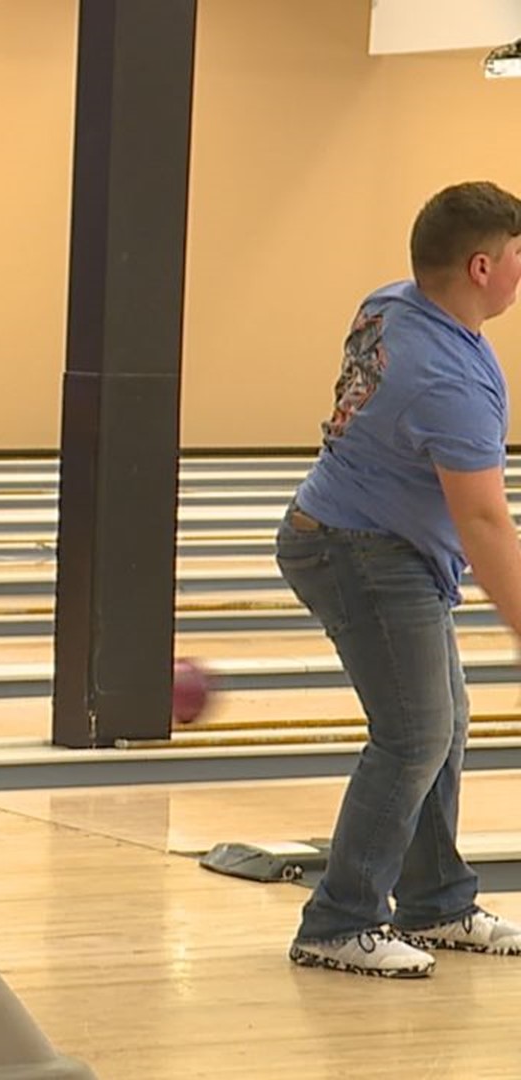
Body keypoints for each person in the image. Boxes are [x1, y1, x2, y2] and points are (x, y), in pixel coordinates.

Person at [280, 180, 521, 977]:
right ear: (482, 266)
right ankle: (339, 919)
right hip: (361, 551)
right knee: (415, 734)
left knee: (441, 724)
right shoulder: (446, 382)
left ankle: (438, 903)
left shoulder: (392, 302)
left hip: (364, 535)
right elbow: (485, 521)